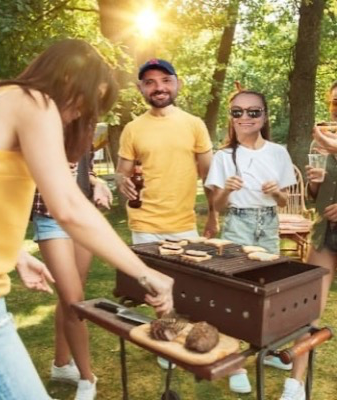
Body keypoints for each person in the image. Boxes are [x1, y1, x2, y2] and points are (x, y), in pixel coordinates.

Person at [0, 39, 174, 400]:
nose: (78, 114)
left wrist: (15, 254)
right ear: (66, 77)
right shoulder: (35, 102)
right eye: (84, 101)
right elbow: (67, 205)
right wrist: (144, 272)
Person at [116, 58, 218, 369]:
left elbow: (208, 175)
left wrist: (213, 214)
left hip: (183, 221)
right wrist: (122, 181)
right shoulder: (133, 129)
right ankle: (168, 338)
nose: (158, 87)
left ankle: (187, 332)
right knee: (156, 288)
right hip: (145, 222)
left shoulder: (194, 124)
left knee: (187, 286)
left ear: (177, 83)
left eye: (165, 80)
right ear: (141, 89)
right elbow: (122, 172)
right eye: (150, 82)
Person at [205, 89, 296, 394]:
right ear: (231, 118)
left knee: (267, 291)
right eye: (237, 112)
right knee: (236, 293)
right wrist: (227, 190)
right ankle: (235, 363)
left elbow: (284, 201)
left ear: (264, 116)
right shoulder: (223, 156)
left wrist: (276, 193)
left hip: (268, 223)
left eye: (253, 112)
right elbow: (216, 208)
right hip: (238, 222)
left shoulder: (278, 152)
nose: (245, 117)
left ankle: (267, 350)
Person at [32, 150, 113, 400]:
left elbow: (83, 170)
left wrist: (97, 183)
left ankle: (61, 364)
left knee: (72, 296)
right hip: (50, 216)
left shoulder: (82, 127)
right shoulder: (38, 120)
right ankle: (87, 377)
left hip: (81, 215)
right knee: (73, 300)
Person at [280, 81, 337, 400]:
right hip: (324, 235)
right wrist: (315, 184)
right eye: (334, 102)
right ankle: (295, 384)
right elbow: (316, 197)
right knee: (308, 309)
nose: (336, 108)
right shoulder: (324, 139)